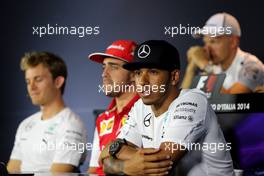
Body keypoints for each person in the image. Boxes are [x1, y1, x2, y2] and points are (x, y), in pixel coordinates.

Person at [99, 40, 234, 176]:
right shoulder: (140, 106)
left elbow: (161, 165)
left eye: (152, 72)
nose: (143, 82)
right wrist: (125, 166)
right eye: (138, 73)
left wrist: (118, 158)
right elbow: (104, 162)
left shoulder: (194, 100)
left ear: (174, 77)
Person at [7, 52, 87, 173]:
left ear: (58, 82)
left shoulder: (72, 125)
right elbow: (12, 169)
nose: (31, 87)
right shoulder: (25, 124)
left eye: (38, 79)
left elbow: (58, 174)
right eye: (28, 81)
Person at [87, 40, 139, 175]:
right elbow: (94, 170)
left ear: (134, 73)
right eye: (103, 67)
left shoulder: (148, 112)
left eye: (114, 67)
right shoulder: (102, 119)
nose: (104, 73)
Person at [181, 12, 264, 94]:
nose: (207, 49)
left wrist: (205, 65)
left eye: (213, 41)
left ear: (233, 42)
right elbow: (183, 100)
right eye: (205, 42)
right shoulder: (213, 67)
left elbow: (231, 102)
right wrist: (191, 68)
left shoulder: (252, 66)